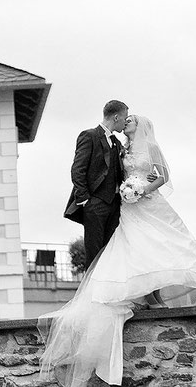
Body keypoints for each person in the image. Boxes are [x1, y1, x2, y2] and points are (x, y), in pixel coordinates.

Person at [41, 114, 196, 387]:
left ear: (141, 125)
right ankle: (148, 294)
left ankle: (165, 291)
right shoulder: (121, 148)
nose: (128, 121)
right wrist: (124, 189)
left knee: (162, 244)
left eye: (132, 119)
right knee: (134, 248)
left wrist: (144, 188)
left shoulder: (152, 147)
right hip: (129, 206)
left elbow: (164, 176)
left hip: (149, 202)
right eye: (127, 118)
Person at [64, 100, 129, 268]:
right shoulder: (90, 136)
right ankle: (91, 294)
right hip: (95, 204)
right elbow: (77, 170)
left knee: (111, 253)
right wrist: (85, 200)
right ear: (116, 117)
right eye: (124, 118)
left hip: (115, 206)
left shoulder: (116, 143)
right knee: (94, 254)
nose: (125, 122)